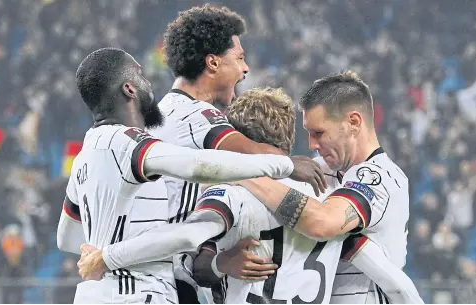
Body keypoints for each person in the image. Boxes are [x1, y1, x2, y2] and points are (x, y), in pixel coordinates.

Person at [77, 87, 422, 304]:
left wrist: (109, 256)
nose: (313, 147)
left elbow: (186, 242)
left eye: (319, 134)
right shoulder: (328, 191)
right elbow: (394, 280)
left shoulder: (231, 194)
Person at [56, 47, 324, 304]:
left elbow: (66, 238)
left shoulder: (85, 154)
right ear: (129, 88)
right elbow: (197, 166)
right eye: (141, 74)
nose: (149, 81)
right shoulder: (131, 143)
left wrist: (104, 249)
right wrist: (285, 165)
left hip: (94, 294)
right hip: (137, 294)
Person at [147, 4, 326, 302]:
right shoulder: (196, 114)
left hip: (152, 272)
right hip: (172, 281)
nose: (246, 69)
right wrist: (291, 164)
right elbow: (250, 152)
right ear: (213, 63)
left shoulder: (158, 114)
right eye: (240, 58)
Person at [224, 72, 422, 303]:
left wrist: (244, 174)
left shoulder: (382, 179)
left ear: (354, 122)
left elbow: (322, 223)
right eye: (308, 133)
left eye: (319, 133)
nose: (312, 144)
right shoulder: (316, 169)